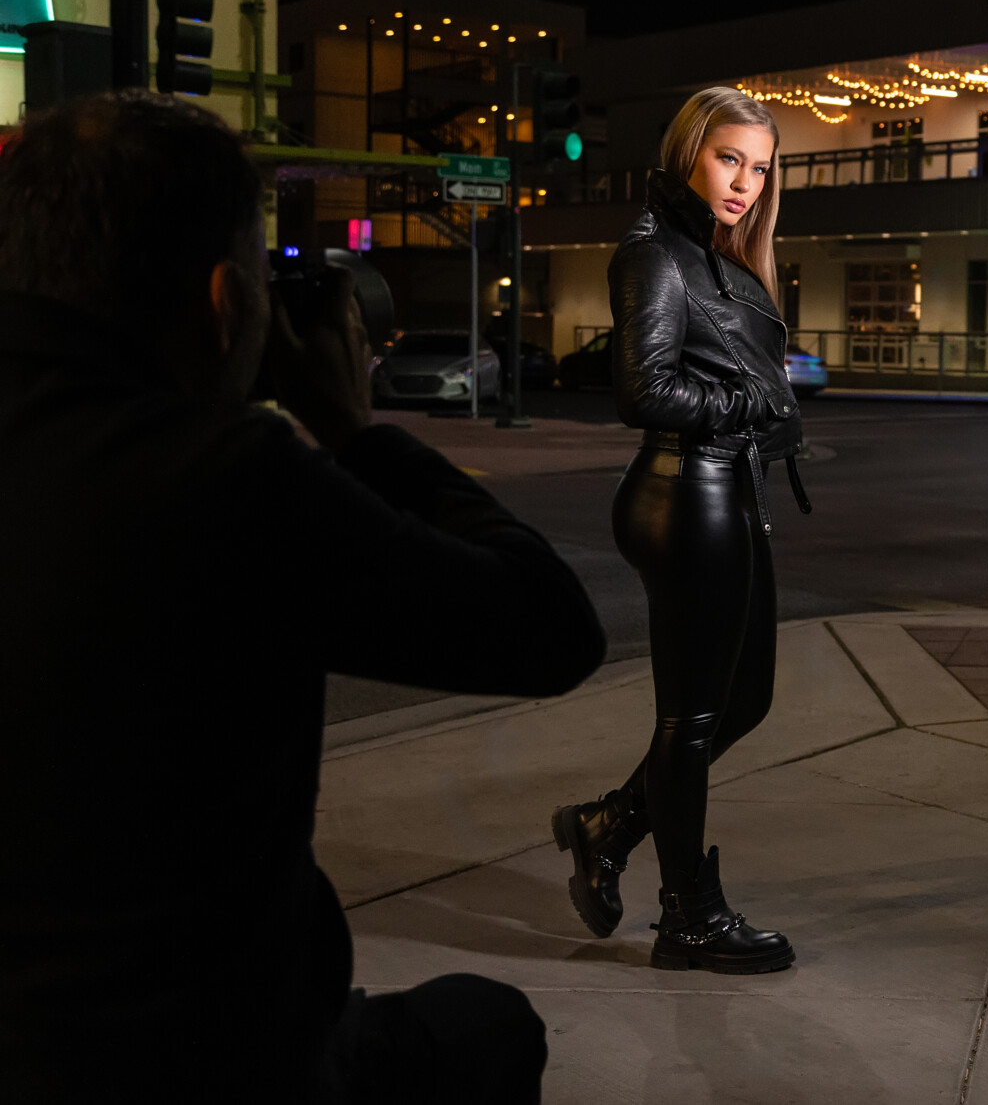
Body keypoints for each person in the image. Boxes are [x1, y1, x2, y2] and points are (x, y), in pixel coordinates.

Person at [0, 92, 607, 1103]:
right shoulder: (223, 477)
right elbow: (548, 629)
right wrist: (353, 427)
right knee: (489, 1030)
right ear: (224, 301)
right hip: (198, 1057)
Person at [552, 87, 807, 974]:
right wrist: (750, 402)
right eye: (730, 159)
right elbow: (643, 391)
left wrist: (768, 411)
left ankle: (608, 824)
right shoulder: (653, 255)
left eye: (760, 167)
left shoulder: (723, 257)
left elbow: (739, 376)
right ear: (690, 153)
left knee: (746, 700)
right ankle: (688, 916)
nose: (744, 182)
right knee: (692, 717)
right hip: (682, 494)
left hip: (730, 490)